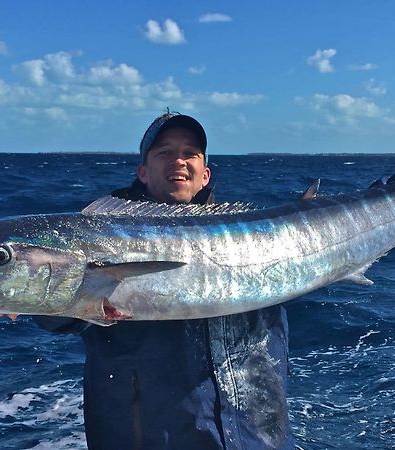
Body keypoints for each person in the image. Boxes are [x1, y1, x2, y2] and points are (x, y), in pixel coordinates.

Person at [34, 111, 296, 450]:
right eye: (164, 153)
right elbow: (58, 307)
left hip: (259, 437)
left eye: (190, 153)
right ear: (143, 172)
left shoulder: (259, 237)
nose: (179, 161)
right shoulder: (98, 234)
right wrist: (12, 298)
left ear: (205, 174)